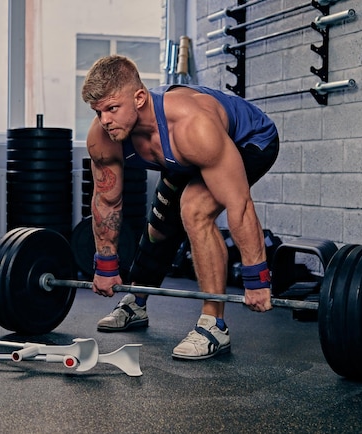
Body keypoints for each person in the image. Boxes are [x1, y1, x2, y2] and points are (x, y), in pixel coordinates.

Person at [81, 55, 279, 360]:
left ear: (139, 98)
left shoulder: (192, 126)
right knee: (159, 227)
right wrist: (105, 267)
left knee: (193, 209)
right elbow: (107, 201)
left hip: (250, 140)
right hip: (184, 154)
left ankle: (214, 325)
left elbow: (238, 204)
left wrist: (257, 278)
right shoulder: (104, 136)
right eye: (98, 111)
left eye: (112, 108)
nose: (105, 120)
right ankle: (136, 301)